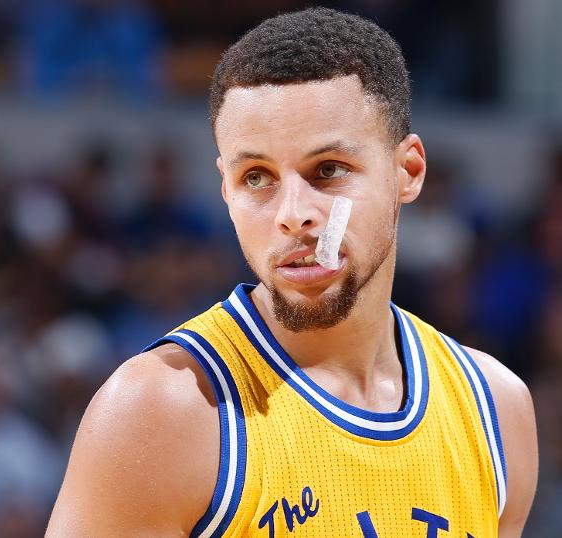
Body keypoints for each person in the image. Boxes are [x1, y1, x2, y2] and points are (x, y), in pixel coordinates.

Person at [47, 8, 538, 537]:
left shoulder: (496, 409)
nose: (292, 214)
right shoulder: (160, 412)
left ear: (408, 171)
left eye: (328, 170)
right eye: (257, 177)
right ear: (225, 189)